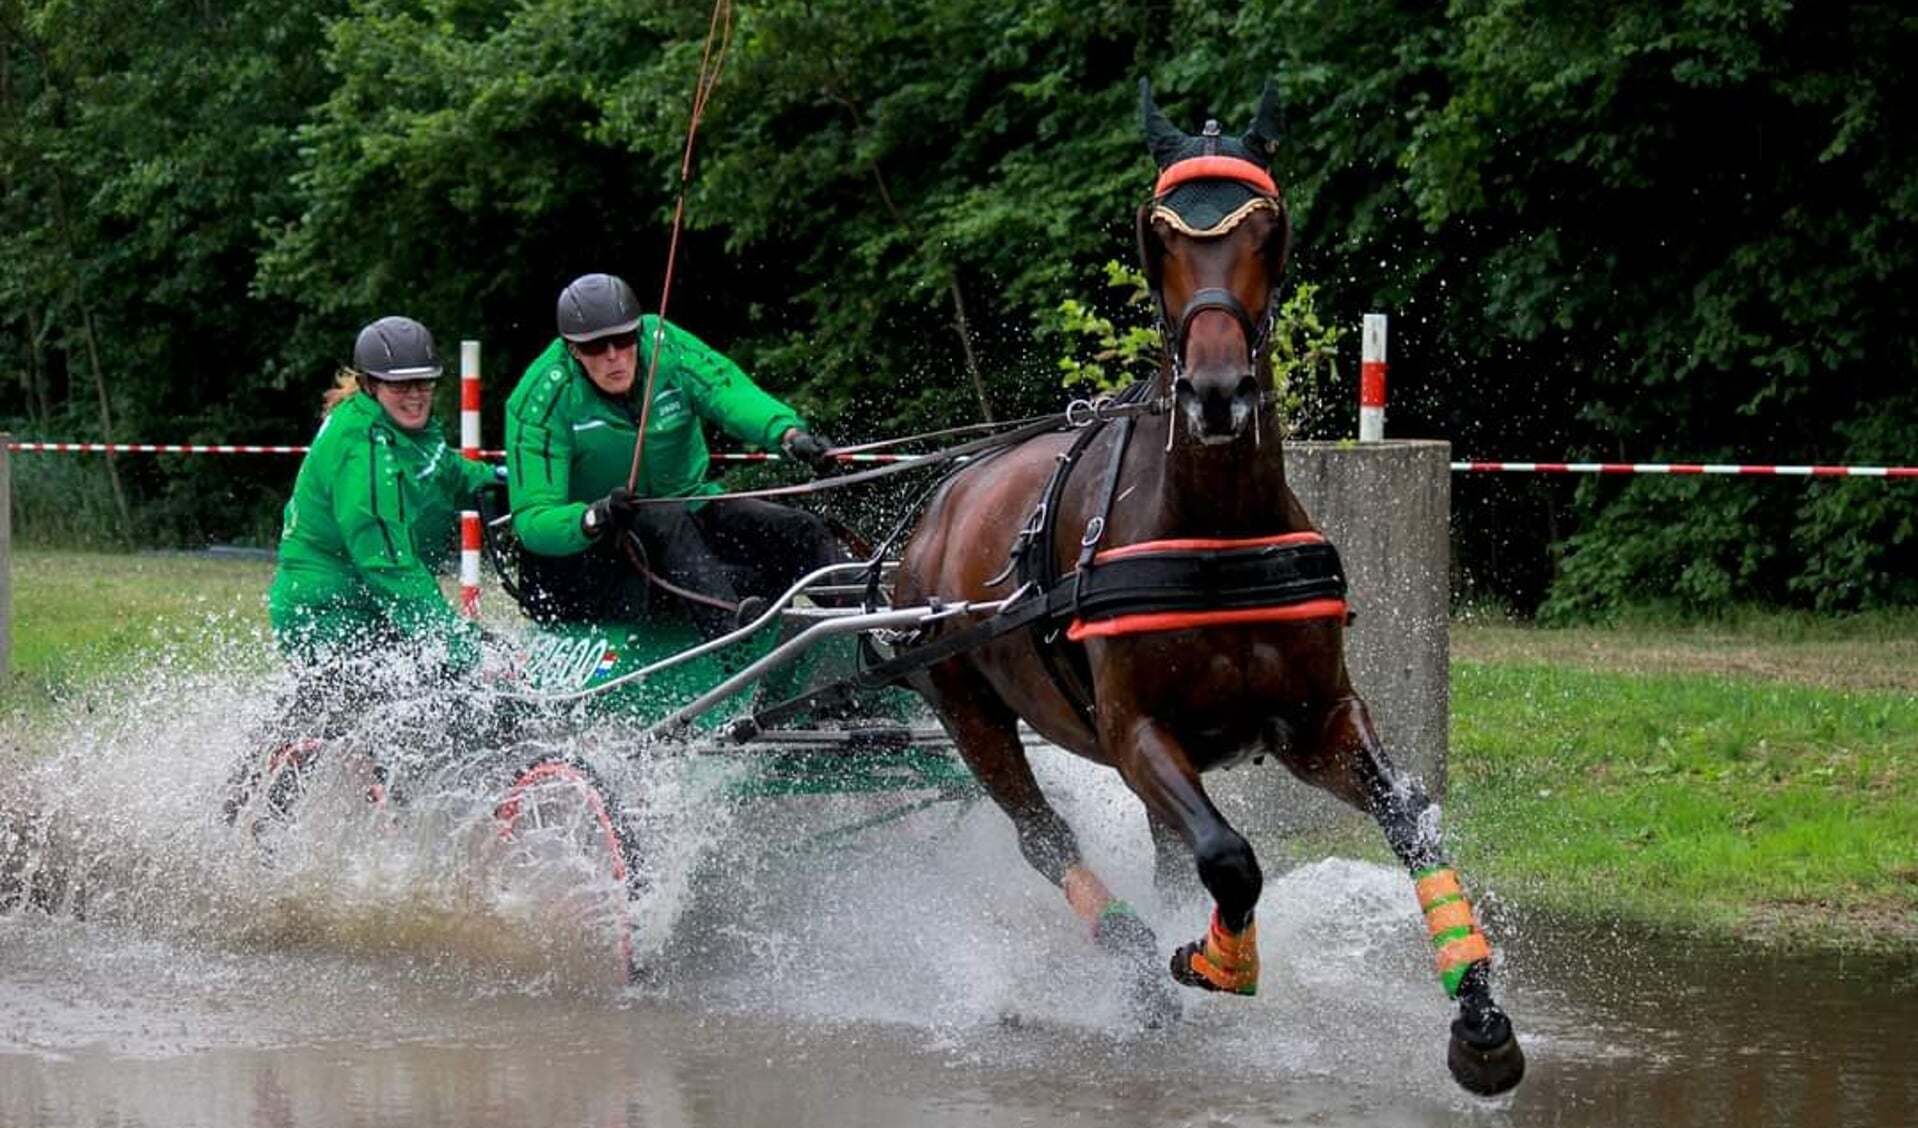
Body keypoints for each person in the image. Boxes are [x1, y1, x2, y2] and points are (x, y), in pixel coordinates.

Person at [504, 272, 845, 638]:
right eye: (595, 347)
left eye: (623, 339)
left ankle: (878, 634)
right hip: (597, 546)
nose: (614, 356)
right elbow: (533, 520)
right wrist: (594, 515)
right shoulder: (540, 398)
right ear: (572, 350)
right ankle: (735, 640)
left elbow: (726, 391)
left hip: (689, 508)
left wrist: (788, 434)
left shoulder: (666, 346)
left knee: (800, 531)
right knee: (665, 520)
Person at [267, 314, 500, 711]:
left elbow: (443, 469)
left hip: (368, 603)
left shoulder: (403, 428)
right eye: (400, 384)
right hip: (329, 612)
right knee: (415, 703)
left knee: (435, 682)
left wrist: (502, 483)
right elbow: (390, 568)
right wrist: (460, 648)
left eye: (423, 381)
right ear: (370, 384)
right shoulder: (365, 453)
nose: (415, 394)